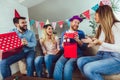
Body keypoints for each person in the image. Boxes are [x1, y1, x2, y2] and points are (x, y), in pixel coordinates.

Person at [77, 5, 120, 80]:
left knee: (88, 68)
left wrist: (100, 43)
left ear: (103, 14)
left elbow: (118, 48)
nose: (94, 17)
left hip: (115, 58)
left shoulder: (117, 25)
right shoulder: (101, 28)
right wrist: (92, 42)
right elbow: (100, 42)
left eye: (96, 14)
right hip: (101, 55)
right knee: (80, 61)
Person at [53, 15, 87, 80]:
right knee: (58, 64)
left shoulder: (81, 33)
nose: (77, 24)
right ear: (71, 22)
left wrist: (78, 40)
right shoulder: (64, 33)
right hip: (67, 53)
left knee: (68, 66)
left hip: (77, 54)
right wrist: (63, 44)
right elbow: (61, 48)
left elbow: (84, 47)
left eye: (78, 23)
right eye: (75, 22)